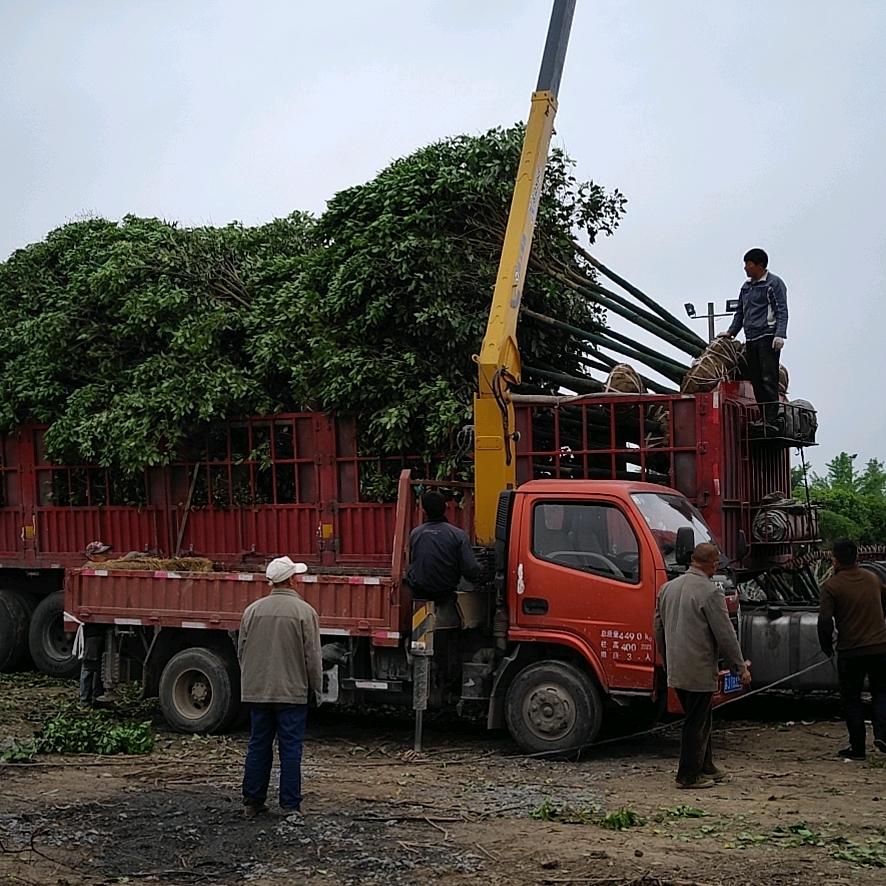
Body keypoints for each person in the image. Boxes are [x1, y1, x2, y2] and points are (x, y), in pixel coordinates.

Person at [653, 542, 752, 789]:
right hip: (698, 668)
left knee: (701, 717)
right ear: (712, 563)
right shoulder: (710, 592)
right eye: (716, 563)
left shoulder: (667, 589)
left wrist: (667, 659)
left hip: (676, 667)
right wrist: (740, 667)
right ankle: (687, 776)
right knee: (696, 722)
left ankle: (706, 765)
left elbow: (658, 628)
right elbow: (725, 634)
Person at [239, 555, 323, 818]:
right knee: (290, 748)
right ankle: (290, 805)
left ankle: (252, 802)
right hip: (291, 692)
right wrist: (315, 689)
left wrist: (252, 680)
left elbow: (242, 650)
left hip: (258, 690)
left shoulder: (252, 611)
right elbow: (312, 657)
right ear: (292, 579)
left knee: (258, 745)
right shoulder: (304, 612)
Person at [817, 539, 886, 760]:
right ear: (857, 558)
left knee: (852, 699)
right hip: (880, 649)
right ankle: (883, 736)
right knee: (881, 693)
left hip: (851, 651)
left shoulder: (831, 586)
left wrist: (826, 646)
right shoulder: (872, 579)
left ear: (835, 560)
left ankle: (857, 748)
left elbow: (825, 621)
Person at [725, 248, 788, 432]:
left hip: (767, 336)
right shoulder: (746, 287)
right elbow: (740, 313)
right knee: (756, 380)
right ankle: (763, 416)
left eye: (748, 264)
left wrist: (780, 334)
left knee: (769, 378)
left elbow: (782, 310)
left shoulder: (773, 284)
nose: (745, 268)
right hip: (751, 337)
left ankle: (772, 419)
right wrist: (731, 332)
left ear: (759, 265)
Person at [406, 491, 481, 604]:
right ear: (445, 508)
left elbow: (413, 561)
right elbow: (470, 568)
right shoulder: (458, 534)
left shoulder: (415, 534)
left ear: (423, 510)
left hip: (419, 590)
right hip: (446, 591)